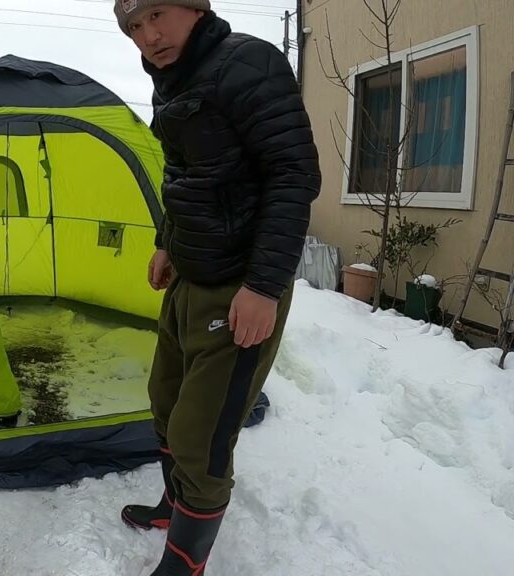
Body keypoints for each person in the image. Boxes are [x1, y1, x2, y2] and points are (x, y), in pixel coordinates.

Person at [113, 1, 321, 574]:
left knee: (200, 437)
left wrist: (264, 286)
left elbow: (294, 174)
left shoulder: (248, 63)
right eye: (134, 27)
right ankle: (172, 505)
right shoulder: (171, 81)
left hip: (240, 284)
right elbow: (183, 174)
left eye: (157, 13)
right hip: (190, 273)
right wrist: (166, 242)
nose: (148, 35)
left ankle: (185, 563)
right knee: (165, 402)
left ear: (194, 7)